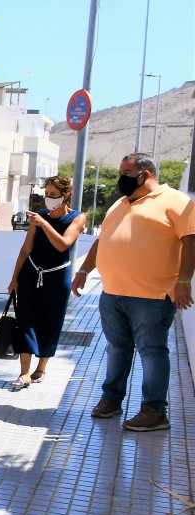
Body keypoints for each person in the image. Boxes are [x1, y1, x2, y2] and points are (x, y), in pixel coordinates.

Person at [73, 153, 195, 431]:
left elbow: (191, 241)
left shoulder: (176, 201)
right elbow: (103, 241)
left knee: (152, 351)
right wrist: (83, 271)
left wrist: (185, 281)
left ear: (146, 174)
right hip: (113, 292)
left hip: (153, 296)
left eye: (126, 172)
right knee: (117, 348)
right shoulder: (119, 203)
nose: (121, 178)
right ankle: (111, 400)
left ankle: (154, 411)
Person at [7, 176, 86, 391]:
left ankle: (41, 368)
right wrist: (14, 278)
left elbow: (63, 245)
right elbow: (26, 249)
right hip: (30, 274)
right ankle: (24, 373)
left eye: (53, 195)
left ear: (66, 195)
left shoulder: (77, 218)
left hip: (57, 276)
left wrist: (44, 224)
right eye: (47, 194)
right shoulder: (39, 216)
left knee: (50, 322)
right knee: (26, 321)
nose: (48, 199)